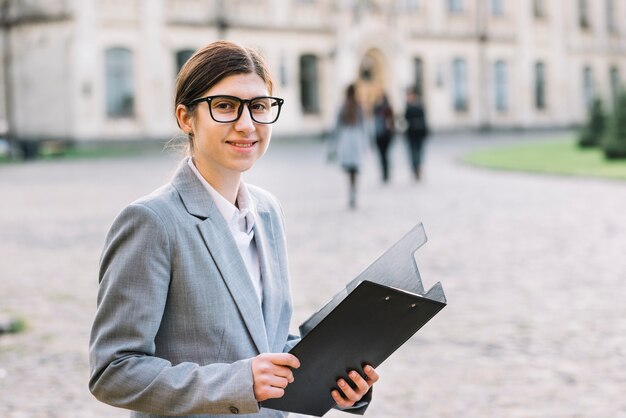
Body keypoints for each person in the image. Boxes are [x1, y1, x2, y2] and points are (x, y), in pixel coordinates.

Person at [89, 41, 378, 418]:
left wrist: (338, 377)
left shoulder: (268, 211)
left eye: (259, 106)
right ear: (185, 117)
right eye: (225, 106)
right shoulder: (152, 222)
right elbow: (113, 371)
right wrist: (239, 384)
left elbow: (266, 342)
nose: (247, 124)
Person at [335, 84, 368, 209]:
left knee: (349, 170)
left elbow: (337, 126)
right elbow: (363, 126)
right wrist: (366, 144)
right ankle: (354, 192)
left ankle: (351, 192)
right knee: (354, 169)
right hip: (356, 139)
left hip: (346, 139)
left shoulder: (343, 107)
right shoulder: (358, 107)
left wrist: (335, 143)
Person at [404, 87, 429, 180]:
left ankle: (418, 168)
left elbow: (423, 119)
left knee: (418, 152)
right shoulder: (407, 107)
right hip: (411, 134)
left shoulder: (418, 106)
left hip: (419, 133)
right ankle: (415, 168)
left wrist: (425, 132)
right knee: (413, 152)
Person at [372, 92, 395, 183]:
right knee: (384, 155)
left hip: (384, 135)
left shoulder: (386, 110)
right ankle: (385, 173)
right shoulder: (380, 109)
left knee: (384, 155)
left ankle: (386, 173)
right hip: (382, 135)